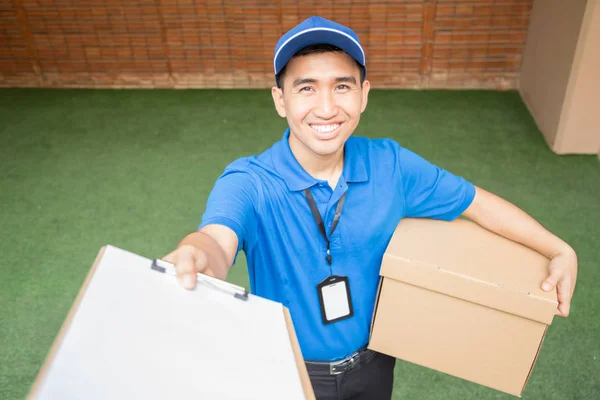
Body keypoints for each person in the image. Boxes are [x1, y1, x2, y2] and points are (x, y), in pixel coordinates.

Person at [162, 16, 578, 400]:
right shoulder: (249, 182)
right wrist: (199, 256)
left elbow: (478, 204)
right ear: (280, 100)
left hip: (375, 362)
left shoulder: (391, 165)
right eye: (306, 88)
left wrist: (559, 248)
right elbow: (216, 239)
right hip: (286, 368)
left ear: (363, 95)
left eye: (342, 86)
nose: (326, 108)